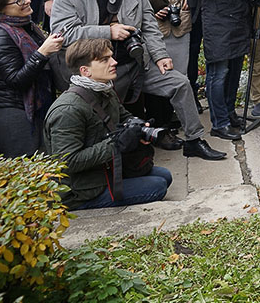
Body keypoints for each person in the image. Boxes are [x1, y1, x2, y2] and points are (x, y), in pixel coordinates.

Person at [50, 0, 225, 160]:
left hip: (135, 64)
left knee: (180, 83)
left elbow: (149, 25)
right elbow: (63, 34)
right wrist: (107, 32)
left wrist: (160, 56)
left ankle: (194, 140)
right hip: (94, 74)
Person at [43, 38, 172, 209]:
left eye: (111, 57)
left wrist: (140, 128)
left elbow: (124, 116)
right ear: (85, 71)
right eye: (105, 60)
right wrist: (117, 144)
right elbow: (67, 161)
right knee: (158, 186)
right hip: (79, 190)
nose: (114, 62)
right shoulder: (68, 110)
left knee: (165, 175)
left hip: (103, 170)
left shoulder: (103, 89)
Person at [187, 0, 254, 141]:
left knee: (234, 71)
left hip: (236, 19)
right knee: (219, 73)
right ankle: (219, 123)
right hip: (218, 22)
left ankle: (229, 113)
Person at [0, 0, 63, 157]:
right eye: (19, 0)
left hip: (37, 108)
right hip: (16, 114)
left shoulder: (27, 25)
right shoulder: (2, 34)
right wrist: (42, 53)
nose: (27, 0)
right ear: (2, 7)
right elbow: (16, 80)